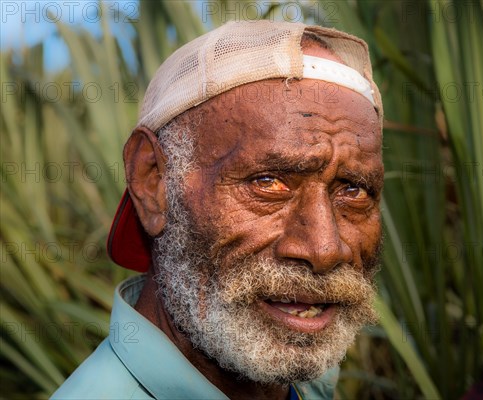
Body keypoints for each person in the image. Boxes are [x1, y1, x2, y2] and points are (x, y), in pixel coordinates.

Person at [52, 20, 384, 400]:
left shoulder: (312, 386)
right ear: (153, 182)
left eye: (354, 190)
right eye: (268, 183)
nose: (324, 248)